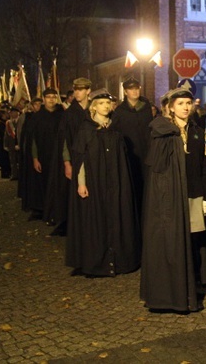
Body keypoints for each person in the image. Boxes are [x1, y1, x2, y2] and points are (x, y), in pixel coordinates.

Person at [140, 87, 206, 311]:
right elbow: (157, 170)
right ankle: (173, 291)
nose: (186, 107)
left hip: (193, 193)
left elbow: (204, 166)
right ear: (170, 106)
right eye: (180, 103)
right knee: (172, 242)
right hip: (170, 199)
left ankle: (192, 285)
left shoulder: (197, 130)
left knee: (193, 242)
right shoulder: (162, 132)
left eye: (188, 103)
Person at [66, 89, 141, 277]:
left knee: (116, 217)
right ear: (94, 106)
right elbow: (80, 159)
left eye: (108, 103)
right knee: (96, 219)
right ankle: (98, 261)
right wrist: (81, 183)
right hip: (95, 182)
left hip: (115, 183)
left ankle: (118, 260)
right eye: (101, 103)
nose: (106, 106)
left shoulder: (115, 129)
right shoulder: (86, 129)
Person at [45, 77, 91, 236]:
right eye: (76, 90)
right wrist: (67, 163)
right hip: (75, 158)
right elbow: (64, 140)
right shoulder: (69, 113)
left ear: (88, 91)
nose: (77, 93)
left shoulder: (93, 109)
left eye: (81, 89)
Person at [113, 76, 154, 214]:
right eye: (131, 89)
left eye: (137, 88)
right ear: (125, 92)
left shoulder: (146, 108)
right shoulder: (120, 111)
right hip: (129, 155)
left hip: (146, 153)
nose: (135, 92)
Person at [26, 89, 64, 220]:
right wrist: (35, 158)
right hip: (43, 156)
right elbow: (33, 141)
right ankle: (42, 208)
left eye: (54, 97)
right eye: (49, 97)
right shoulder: (37, 117)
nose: (51, 99)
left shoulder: (62, 115)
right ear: (44, 99)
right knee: (43, 183)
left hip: (59, 156)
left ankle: (56, 209)